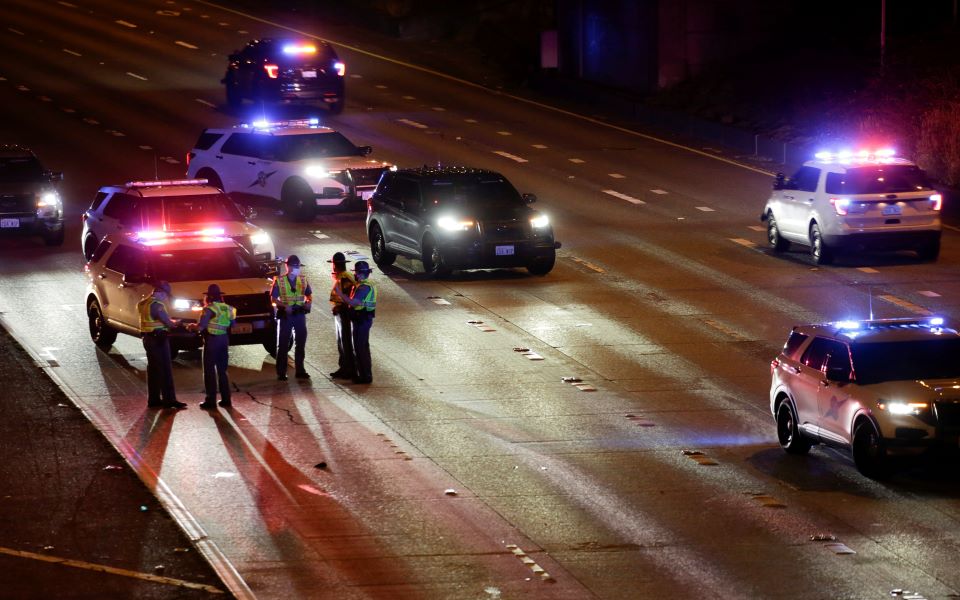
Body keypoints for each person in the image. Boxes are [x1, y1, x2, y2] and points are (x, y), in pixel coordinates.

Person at [137, 281, 187, 409]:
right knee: (165, 369)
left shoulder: (143, 303)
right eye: (166, 294)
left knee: (153, 370)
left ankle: (153, 399)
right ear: (160, 292)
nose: (166, 297)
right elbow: (168, 323)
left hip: (147, 338)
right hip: (158, 340)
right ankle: (169, 400)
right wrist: (178, 322)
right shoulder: (157, 305)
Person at [190, 284, 236, 409]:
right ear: (220, 296)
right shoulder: (229, 308)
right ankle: (226, 399)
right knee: (222, 371)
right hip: (224, 340)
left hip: (212, 341)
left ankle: (210, 400)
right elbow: (233, 324)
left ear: (208, 297)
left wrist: (191, 327)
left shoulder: (208, 309)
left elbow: (201, 327)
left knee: (209, 371)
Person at [271, 254, 312, 381]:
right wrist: (284, 306)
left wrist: (308, 303)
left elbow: (309, 295)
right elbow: (273, 299)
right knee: (283, 344)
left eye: (298, 266)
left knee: (301, 343)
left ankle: (300, 370)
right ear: (287, 267)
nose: (296, 268)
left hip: (299, 315)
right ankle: (281, 372)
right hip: (286, 316)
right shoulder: (279, 280)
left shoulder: (303, 280)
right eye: (294, 266)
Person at [335, 260, 376, 384]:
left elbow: (354, 302)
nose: (356, 275)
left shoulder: (364, 287)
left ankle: (364, 376)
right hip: (362, 318)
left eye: (357, 273)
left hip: (362, 319)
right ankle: (365, 374)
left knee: (360, 348)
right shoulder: (364, 284)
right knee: (363, 347)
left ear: (360, 273)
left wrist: (340, 294)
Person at [327, 251, 355, 380]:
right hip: (340, 312)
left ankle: (348, 368)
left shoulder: (344, 277)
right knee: (341, 341)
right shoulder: (342, 276)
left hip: (344, 313)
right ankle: (343, 367)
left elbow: (347, 297)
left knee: (345, 341)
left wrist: (339, 307)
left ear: (335, 265)